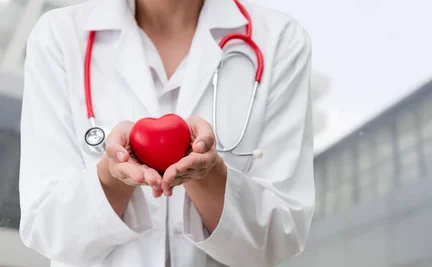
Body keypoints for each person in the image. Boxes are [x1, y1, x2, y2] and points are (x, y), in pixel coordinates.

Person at [18, 0, 315, 266]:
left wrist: (208, 175)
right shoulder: (58, 36)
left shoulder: (279, 39)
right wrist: (112, 176)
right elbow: (46, 231)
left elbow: (280, 237)